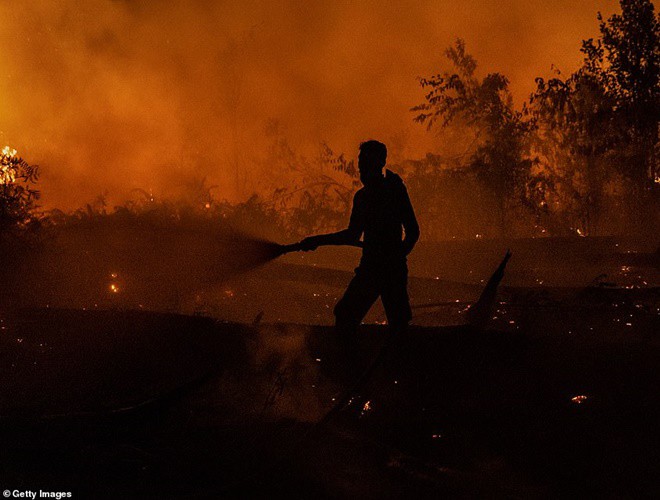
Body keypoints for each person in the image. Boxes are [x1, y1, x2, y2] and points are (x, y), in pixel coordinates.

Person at [297, 140, 419, 338]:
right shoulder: (362, 197)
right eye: (361, 163)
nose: (361, 169)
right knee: (346, 315)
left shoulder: (394, 190)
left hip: (389, 270)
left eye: (365, 163)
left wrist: (395, 257)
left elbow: (413, 231)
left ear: (380, 163)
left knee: (397, 324)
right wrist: (317, 240)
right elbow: (352, 235)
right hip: (371, 267)